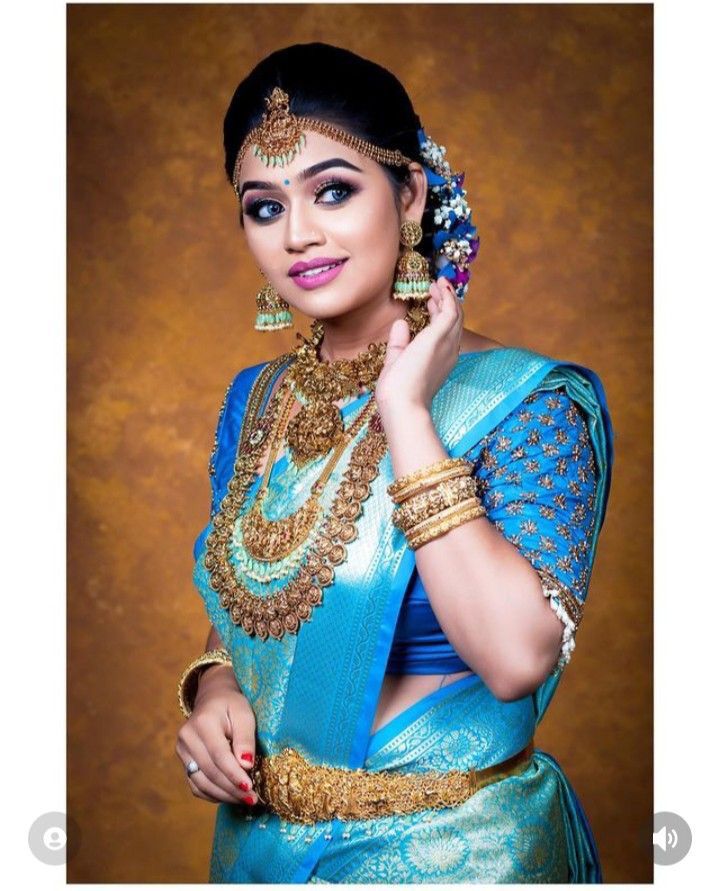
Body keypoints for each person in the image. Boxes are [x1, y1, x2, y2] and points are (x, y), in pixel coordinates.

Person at [175, 42, 614, 884]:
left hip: (459, 854)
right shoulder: (256, 401)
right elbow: (249, 612)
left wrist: (408, 417)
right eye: (263, 208)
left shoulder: (528, 402)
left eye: (333, 191)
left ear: (409, 194)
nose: (298, 234)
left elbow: (517, 656)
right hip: (262, 849)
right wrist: (213, 690)